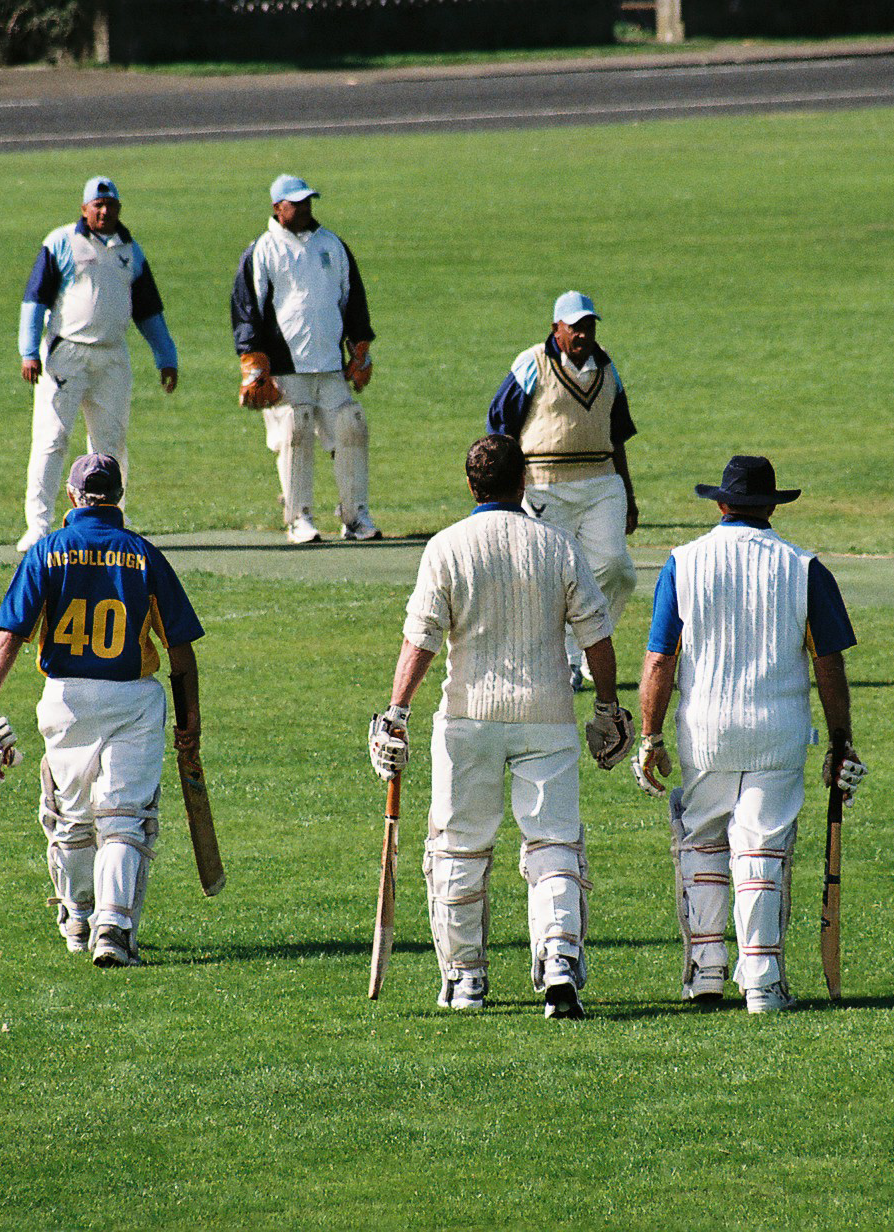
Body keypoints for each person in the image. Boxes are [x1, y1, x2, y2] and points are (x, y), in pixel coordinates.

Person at [368, 434, 635, 1020]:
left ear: (471, 487)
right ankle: (560, 961)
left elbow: (422, 638)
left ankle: (465, 979)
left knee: (460, 849)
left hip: (468, 717)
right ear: (524, 484)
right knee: (553, 843)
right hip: (547, 716)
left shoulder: (446, 547)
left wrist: (397, 711)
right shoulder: (558, 546)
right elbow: (597, 634)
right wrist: (608, 708)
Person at [631, 455, 868, 1013]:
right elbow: (828, 664)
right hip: (776, 731)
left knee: (704, 842)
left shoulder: (682, 562)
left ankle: (708, 972)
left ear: (720, 504)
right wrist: (841, 741)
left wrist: (650, 736)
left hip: (705, 730)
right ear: (771, 507)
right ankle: (761, 981)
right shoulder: (803, 567)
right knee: (762, 846)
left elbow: (660, 659)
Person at [0, 453, 205, 968]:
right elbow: (180, 648)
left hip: (66, 699)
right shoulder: (144, 555)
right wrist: (190, 720)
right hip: (132, 701)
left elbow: (11, 632)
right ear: (119, 496)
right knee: (122, 817)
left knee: (72, 818)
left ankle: (78, 917)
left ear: (72, 497)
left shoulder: (47, 551)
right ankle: (114, 930)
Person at [17, 176, 179, 552]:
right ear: (84, 208)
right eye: (97, 205)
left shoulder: (130, 251)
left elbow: (149, 309)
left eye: (110, 205)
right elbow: (34, 299)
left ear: (119, 208)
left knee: (110, 443)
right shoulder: (61, 242)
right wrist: (28, 350)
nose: (104, 211)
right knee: (52, 438)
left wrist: (166, 356)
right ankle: (38, 525)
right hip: (66, 355)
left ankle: (112, 521)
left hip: (112, 356)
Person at [487, 291, 638, 690]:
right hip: (543, 485)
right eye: (576, 327)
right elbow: (499, 422)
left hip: (602, 482)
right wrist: (506, 486)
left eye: (589, 326)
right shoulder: (532, 363)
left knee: (617, 570)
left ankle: (583, 647)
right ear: (557, 327)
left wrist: (630, 495)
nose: (583, 334)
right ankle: (568, 660)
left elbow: (618, 436)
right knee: (549, 576)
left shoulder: (608, 367)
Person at [231, 174, 380, 545]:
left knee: (351, 426)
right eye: (295, 203)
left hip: (329, 364)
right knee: (295, 434)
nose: (304, 208)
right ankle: (298, 518)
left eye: (308, 201)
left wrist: (359, 349)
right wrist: (252, 363)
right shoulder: (262, 250)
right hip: (285, 367)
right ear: (277, 207)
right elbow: (247, 309)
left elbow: (353, 301)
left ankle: (355, 515)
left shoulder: (332, 245)